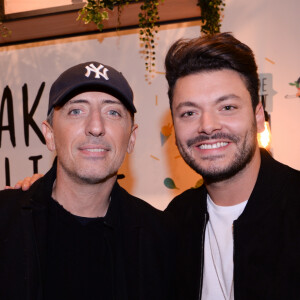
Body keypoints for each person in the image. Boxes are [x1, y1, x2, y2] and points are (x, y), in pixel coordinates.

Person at [0, 62, 175, 300]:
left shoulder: (162, 239)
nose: (95, 127)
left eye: (112, 112)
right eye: (76, 111)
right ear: (49, 134)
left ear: (132, 138)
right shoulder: (6, 219)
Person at [164, 32, 300, 300]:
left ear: (258, 117)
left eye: (227, 107)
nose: (208, 126)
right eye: (189, 113)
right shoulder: (174, 223)